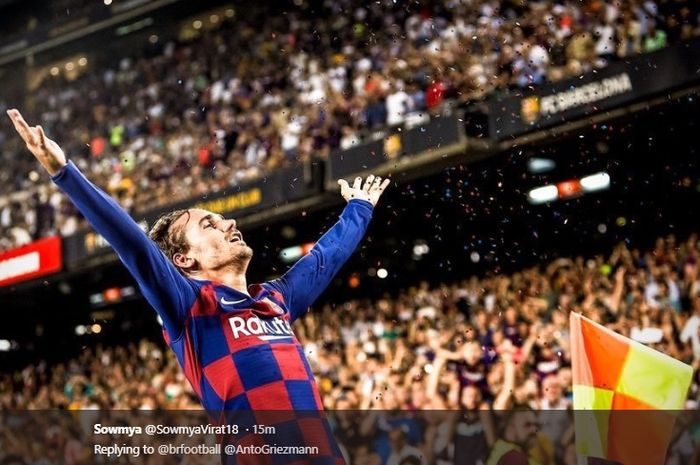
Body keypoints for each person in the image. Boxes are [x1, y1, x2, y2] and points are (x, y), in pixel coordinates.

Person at [7, 108, 390, 462]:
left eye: (223, 220)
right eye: (209, 225)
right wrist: (64, 173)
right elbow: (134, 245)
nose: (229, 225)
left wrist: (359, 207)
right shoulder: (191, 307)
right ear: (184, 260)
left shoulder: (276, 299)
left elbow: (325, 259)